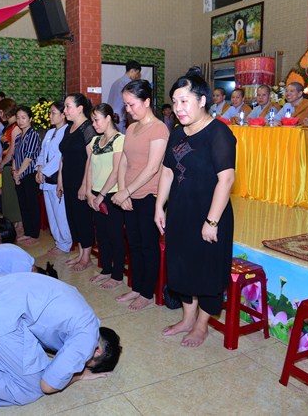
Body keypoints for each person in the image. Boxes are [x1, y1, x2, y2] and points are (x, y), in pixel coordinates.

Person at [0, 271, 122, 416]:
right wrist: (79, 376)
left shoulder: (84, 313)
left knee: (21, 362)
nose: (78, 365)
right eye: (84, 363)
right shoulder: (87, 338)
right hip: (2, 316)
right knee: (31, 386)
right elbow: (47, 386)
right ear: (97, 351)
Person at [155, 69, 236, 347]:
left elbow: (226, 180)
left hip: (209, 213)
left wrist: (212, 222)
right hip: (181, 211)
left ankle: (202, 325)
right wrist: (159, 206)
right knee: (181, 267)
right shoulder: (177, 133)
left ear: (202, 101)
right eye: (175, 102)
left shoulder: (219, 133)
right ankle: (187, 318)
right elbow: (167, 171)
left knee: (207, 271)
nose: (178, 108)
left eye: (184, 101)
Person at [111, 79, 169, 310]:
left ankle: (147, 292)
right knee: (133, 244)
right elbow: (124, 161)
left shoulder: (159, 129)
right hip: (129, 195)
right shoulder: (131, 128)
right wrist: (122, 191)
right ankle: (136, 287)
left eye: (131, 104)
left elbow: (153, 167)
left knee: (148, 246)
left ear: (146, 101)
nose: (128, 110)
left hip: (148, 196)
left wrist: (127, 190)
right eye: (125, 105)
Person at [85, 103, 126, 289]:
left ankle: (117, 275)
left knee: (115, 235)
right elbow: (90, 168)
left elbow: (117, 171)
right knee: (101, 235)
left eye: (96, 120)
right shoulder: (95, 141)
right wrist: (89, 192)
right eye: (92, 121)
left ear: (108, 118)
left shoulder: (119, 139)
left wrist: (101, 195)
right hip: (95, 194)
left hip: (111, 194)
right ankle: (106, 269)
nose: (94, 124)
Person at [58, 93, 97, 272]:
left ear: (80, 108)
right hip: (68, 180)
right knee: (72, 218)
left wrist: (85, 185)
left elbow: (91, 158)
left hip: (81, 181)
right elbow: (63, 156)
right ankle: (81, 253)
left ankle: (86, 257)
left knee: (83, 219)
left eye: (68, 106)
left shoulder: (87, 128)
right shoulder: (69, 128)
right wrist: (60, 179)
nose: (65, 110)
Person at [35, 100, 72, 256]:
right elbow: (42, 153)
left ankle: (65, 243)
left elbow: (59, 158)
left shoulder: (67, 132)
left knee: (60, 212)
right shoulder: (50, 132)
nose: (50, 116)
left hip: (57, 178)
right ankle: (58, 241)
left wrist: (45, 171)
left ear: (63, 115)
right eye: (49, 113)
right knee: (51, 213)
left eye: (53, 113)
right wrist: (39, 168)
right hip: (46, 178)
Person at [12, 106, 42, 244]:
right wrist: (14, 172)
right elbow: (15, 156)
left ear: (30, 119)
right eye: (18, 118)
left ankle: (34, 234)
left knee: (32, 205)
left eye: (23, 117)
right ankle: (27, 231)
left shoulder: (33, 135)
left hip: (29, 175)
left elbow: (29, 158)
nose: (20, 120)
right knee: (23, 205)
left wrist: (19, 173)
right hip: (19, 175)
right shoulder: (19, 136)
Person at [0, 98, 23, 231]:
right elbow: (5, 148)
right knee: (8, 195)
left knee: (13, 196)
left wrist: (2, 163)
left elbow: (13, 150)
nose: (0, 115)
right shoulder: (9, 126)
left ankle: (20, 223)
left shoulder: (16, 127)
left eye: (1, 112)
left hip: (13, 165)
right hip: (6, 163)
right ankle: (15, 221)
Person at [107, 60, 142, 133]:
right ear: (132, 71)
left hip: (111, 115)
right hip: (119, 117)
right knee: (123, 138)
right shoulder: (129, 83)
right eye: (137, 73)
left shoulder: (116, 82)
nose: (137, 76)